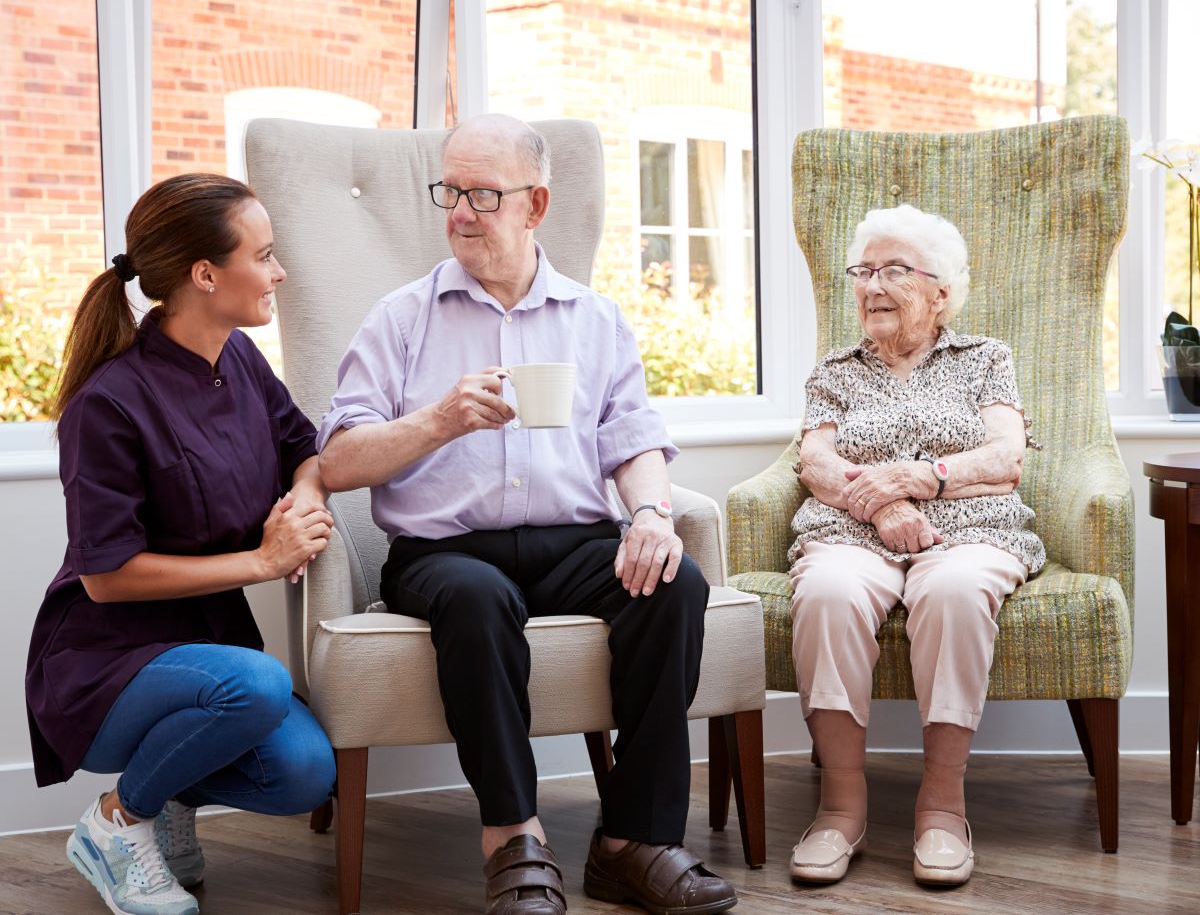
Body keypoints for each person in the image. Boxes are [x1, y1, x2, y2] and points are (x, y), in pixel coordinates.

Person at [317, 114, 736, 915]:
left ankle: (632, 841)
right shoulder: (403, 318)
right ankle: (512, 837)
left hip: (572, 540)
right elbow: (336, 460)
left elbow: (634, 439)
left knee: (673, 583)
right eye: (451, 191)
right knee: (478, 600)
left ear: (534, 205)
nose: (460, 212)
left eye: (482, 193)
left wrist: (650, 514)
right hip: (445, 552)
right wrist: (438, 420)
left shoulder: (595, 319)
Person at [26, 173, 337, 915]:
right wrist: (264, 561)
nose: (278, 271)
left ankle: (160, 797)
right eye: (263, 256)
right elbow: (105, 577)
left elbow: (307, 448)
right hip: (104, 662)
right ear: (205, 274)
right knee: (257, 683)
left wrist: (306, 507)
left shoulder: (242, 361)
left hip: (208, 646)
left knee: (304, 773)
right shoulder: (106, 404)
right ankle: (117, 821)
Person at [786, 204, 1045, 888]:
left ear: (940, 291)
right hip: (850, 530)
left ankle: (943, 805)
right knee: (828, 592)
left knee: (954, 590)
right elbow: (815, 462)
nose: (872, 284)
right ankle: (841, 805)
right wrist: (886, 504)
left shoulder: (986, 358)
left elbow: (1006, 454)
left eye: (893, 269)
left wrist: (922, 478)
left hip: (974, 528)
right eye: (863, 270)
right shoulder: (834, 371)